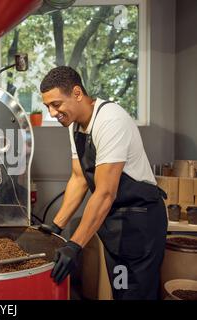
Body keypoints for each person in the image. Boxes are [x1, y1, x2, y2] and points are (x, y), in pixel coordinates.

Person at [39, 66, 167, 300]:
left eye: (56, 104)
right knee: (121, 288)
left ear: (77, 93)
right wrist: (55, 227)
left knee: (135, 294)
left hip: (139, 224)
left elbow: (106, 193)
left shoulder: (110, 120)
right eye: (47, 106)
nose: (51, 112)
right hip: (114, 227)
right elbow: (79, 179)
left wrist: (74, 245)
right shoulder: (74, 124)